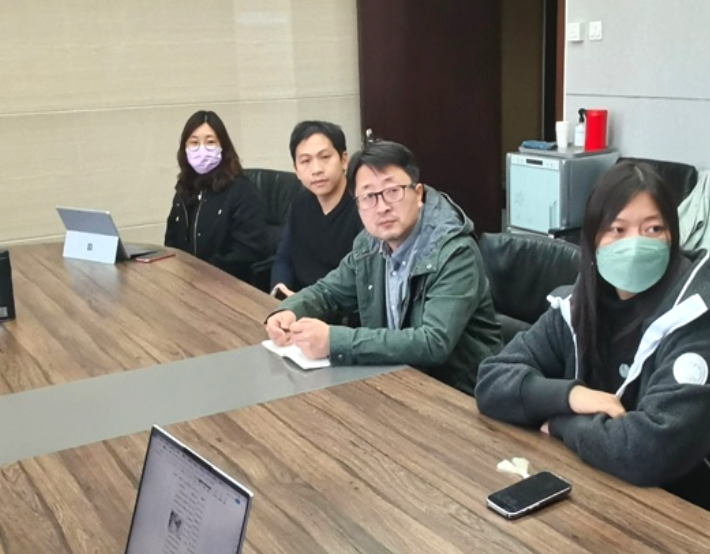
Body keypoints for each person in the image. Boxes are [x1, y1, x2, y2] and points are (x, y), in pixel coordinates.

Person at [475, 163, 710, 518]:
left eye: (653, 229)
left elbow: (646, 452)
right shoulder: (579, 306)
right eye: (617, 230)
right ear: (593, 240)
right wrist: (572, 396)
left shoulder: (699, 321)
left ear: (672, 237)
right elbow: (492, 382)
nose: (635, 245)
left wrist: (561, 423)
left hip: (694, 512)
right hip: (598, 485)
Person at [265, 140, 503, 394]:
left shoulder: (454, 252)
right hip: (395, 380)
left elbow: (433, 342)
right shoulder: (369, 243)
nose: (382, 207)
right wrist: (290, 311)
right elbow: (329, 292)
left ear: (418, 194)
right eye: (368, 196)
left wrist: (334, 342)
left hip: (461, 393)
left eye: (392, 191)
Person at [164, 110, 271, 283]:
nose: (202, 150)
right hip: (187, 282)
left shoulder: (242, 190)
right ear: (185, 148)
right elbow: (171, 241)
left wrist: (200, 273)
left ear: (223, 147)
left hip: (227, 285)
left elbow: (248, 251)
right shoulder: (185, 189)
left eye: (210, 142)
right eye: (194, 143)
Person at [269, 120, 362, 299]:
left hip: (341, 307)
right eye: (305, 161)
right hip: (298, 302)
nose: (316, 169)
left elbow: (360, 279)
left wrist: (307, 304)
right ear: (296, 170)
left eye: (325, 157)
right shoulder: (299, 204)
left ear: (344, 160)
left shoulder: (363, 207)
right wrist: (280, 290)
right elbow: (284, 258)